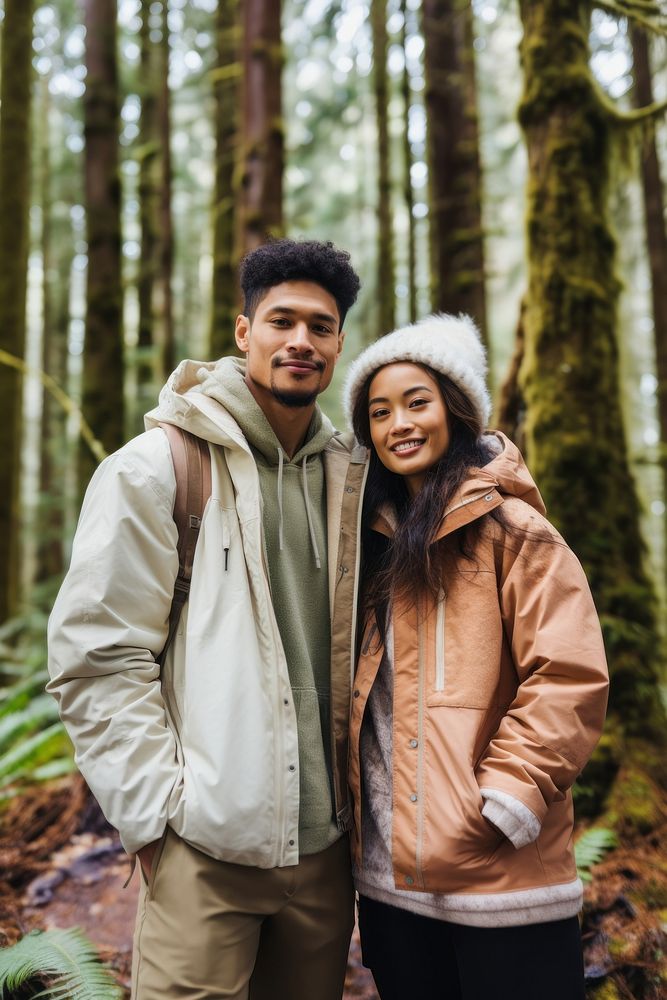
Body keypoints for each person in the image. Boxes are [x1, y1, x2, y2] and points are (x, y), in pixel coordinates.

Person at [47, 238, 366, 1000]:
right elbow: (96, 658)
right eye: (281, 321)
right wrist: (156, 817)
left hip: (326, 860)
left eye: (320, 327)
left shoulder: (352, 478)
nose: (300, 341)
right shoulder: (157, 468)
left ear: (339, 343)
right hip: (205, 850)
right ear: (241, 331)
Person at [342, 313, 609, 1000]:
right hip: (392, 881)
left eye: (416, 402)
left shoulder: (515, 531)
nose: (397, 423)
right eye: (379, 411)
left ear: (455, 411)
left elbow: (568, 675)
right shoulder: (367, 544)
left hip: (501, 873)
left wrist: (504, 801)